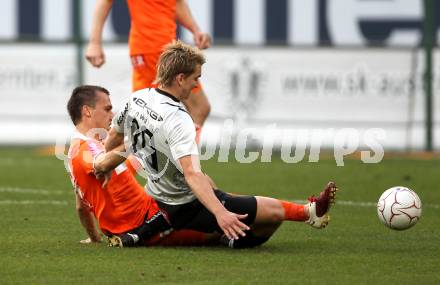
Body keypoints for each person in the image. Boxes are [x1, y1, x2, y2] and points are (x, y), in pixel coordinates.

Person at [95, 41, 338, 249]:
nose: (196, 85)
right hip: (183, 203)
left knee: (213, 186)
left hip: (157, 192)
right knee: (272, 215)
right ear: (180, 78)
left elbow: (114, 138)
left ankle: (306, 212)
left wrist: (106, 166)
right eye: (195, 78)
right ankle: (306, 215)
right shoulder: (178, 119)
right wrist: (220, 214)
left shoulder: (137, 98)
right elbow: (191, 173)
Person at [66, 85, 217, 247]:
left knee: (205, 189)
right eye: (107, 109)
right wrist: (136, 137)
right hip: (145, 221)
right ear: (87, 111)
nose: (112, 114)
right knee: (219, 228)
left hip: (148, 212)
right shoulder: (85, 147)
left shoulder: (83, 149)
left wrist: (94, 237)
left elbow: (81, 206)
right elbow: (101, 164)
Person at [85, 0, 211, 142]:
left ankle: (99, 147)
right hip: (156, 48)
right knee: (197, 108)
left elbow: (175, 3)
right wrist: (94, 42)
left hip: (149, 48)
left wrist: (195, 30)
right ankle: (184, 161)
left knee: (142, 117)